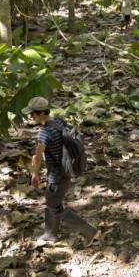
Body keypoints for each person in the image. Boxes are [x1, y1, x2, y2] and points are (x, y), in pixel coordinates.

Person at [25, 97, 98, 244]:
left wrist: (34, 174)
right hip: (66, 171)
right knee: (54, 202)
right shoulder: (59, 121)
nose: (30, 117)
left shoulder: (44, 133)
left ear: (40, 114)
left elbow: (37, 157)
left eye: (32, 114)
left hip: (56, 175)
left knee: (53, 205)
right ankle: (50, 233)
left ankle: (89, 231)